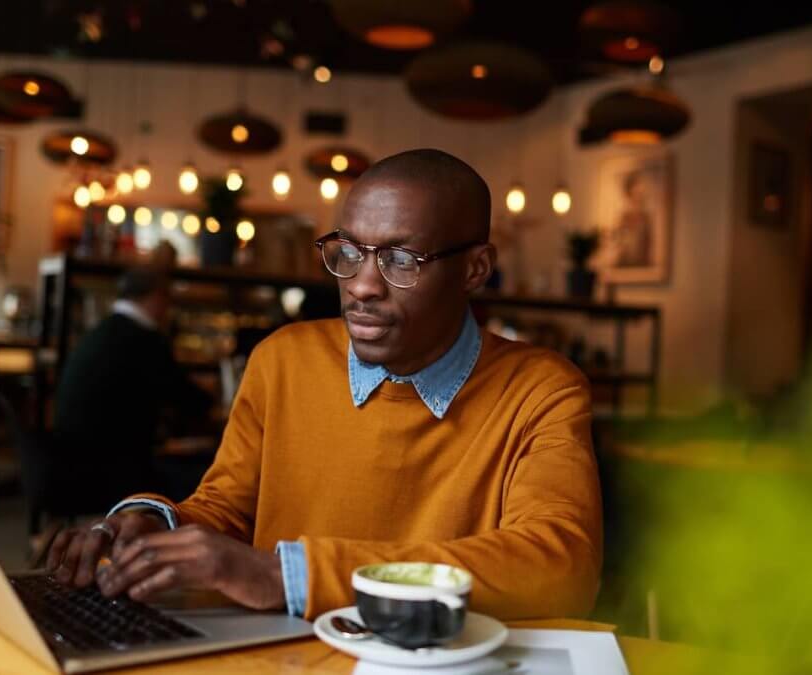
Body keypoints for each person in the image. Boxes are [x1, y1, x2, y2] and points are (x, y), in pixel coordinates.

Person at [47, 149, 602, 621]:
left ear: (475, 270)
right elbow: (226, 509)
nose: (361, 286)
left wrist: (290, 576)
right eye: (351, 252)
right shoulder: (282, 360)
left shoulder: (540, 390)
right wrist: (149, 525)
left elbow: (558, 566)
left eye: (401, 259)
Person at [51, 264, 213, 506]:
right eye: (167, 298)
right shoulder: (144, 339)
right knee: (208, 479)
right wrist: (216, 395)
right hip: (110, 470)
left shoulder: (101, 331)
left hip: (67, 460)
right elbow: (188, 400)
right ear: (157, 296)